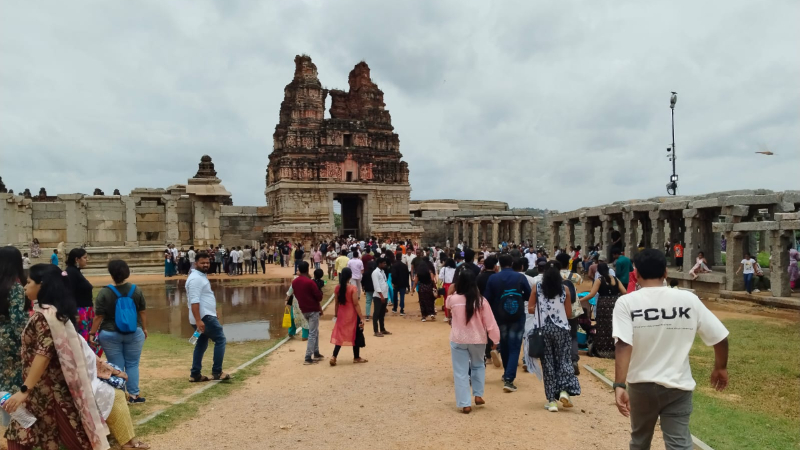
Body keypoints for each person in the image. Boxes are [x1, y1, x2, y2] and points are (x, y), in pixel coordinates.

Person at [613, 249, 729, 449]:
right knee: (679, 443)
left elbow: (624, 344)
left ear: (636, 274)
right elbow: (720, 337)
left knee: (640, 440)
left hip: (641, 385)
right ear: (666, 273)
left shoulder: (626, 303)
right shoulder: (688, 300)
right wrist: (720, 367)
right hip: (678, 386)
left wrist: (620, 385)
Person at [4, 263, 110, 450]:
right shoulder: (49, 314)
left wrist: (24, 390)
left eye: (29, 282)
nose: (25, 287)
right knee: (20, 437)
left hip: (50, 392)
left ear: (42, 285)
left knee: (73, 438)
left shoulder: (46, 317)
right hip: (39, 392)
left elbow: (43, 354)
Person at [90, 259, 148, 403]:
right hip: (134, 332)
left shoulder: (104, 292)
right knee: (133, 364)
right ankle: (134, 395)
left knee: (115, 365)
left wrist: (92, 333)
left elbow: (99, 316)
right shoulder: (136, 290)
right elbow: (142, 312)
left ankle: (120, 396)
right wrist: (145, 328)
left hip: (109, 333)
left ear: (111, 273)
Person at [527, 260, 581, 412]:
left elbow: (531, 309)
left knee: (548, 363)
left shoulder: (536, 288)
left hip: (543, 329)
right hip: (561, 329)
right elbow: (569, 313)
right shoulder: (565, 289)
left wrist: (540, 309)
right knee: (563, 360)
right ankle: (564, 390)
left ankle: (551, 401)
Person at [446, 269, 500, 414]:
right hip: (478, 339)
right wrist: (495, 340)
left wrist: (452, 288)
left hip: (458, 339)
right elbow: (490, 323)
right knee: (478, 366)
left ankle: (465, 404)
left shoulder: (453, 300)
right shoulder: (482, 301)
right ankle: (478, 395)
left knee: (460, 371)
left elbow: (447, 303)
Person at [81, 338, 150, 449]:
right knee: (114, 393)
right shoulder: (69, 333)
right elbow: (93, 360)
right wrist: (115, 372)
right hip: (80, 384)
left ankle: (109, 432)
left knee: (118, 366)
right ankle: (128, 440)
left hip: (109, 334)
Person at [483, 254, 531, 392]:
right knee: (515, 345)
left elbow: (487, 299)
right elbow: (528, 295)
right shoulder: (520, 277)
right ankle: (509, 379)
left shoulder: (493, 278)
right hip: (517, 315)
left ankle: (506, 373)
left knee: (503, 344)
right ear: (511, 263)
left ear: (500, 264)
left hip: (500, 315)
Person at [186, 252, 230, 382]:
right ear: (195, 263)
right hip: (204, 318)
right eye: (202, 263)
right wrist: (199, 320)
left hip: (205, 315)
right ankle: (217, 372)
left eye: (207, 262)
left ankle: (195, 374)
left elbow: (204, 297)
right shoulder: (195, 279)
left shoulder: (200, 276)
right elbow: (194, 301)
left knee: (201, 343)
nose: (206, 265)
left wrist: (213, 310)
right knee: (220, 339)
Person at [1, 246, 29, 428]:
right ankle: (20, 425)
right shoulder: (15, 288)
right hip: (11, 340)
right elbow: (18, 321)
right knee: (15, 383)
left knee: (2, 381)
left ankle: (5, 425)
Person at [582, 262, 627, 358]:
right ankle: (614, 348)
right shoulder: (615, 279)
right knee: (613, 326)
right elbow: (624, 292)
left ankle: (602, 348)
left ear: (598, 271)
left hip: (603, 305)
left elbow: (592, 294)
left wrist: (580, 300)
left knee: (603, 326)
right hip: (614, 304)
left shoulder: (599, 280)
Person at [329, 268, 367, 366]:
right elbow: (356, 304)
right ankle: (356, 357)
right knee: (355, 333)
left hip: (342, 314)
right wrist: (361, 317)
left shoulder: (337, 288)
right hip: (352, 315)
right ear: (350, 276)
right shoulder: (352, 288)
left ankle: (334, 356)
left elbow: (337, 303)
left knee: (340, 335)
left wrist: (336, 315)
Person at [292, 261, 324, 365]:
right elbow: (318, 297)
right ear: (308, 269)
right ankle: (308, 356)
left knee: (315, 331)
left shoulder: (295, 282)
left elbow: (295, 294)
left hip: (303, 309)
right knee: (313, 333)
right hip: (313, 309)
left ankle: (316, 352)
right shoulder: (310, 282)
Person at [65, 248, 96, 345]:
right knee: (83, 340)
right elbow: (69, 293)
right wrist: (74, 312)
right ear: (77, 259)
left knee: (90, 339)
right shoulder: (71, 272)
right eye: (84, 258)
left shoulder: (76, 271)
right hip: (80, 310)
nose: (87, 260)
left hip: (86, 310)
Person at [371, 258, 392, 337]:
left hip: (384, 295)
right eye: (383, 263)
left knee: (382, 314)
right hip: (378, 296)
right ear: (379, 263)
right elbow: (376, 286)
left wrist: (385, 296)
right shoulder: (375, 273)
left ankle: (382, 329)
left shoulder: (382, 272)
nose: (385, 265)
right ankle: (376, 331)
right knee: (376, 313)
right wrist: (381, 296)